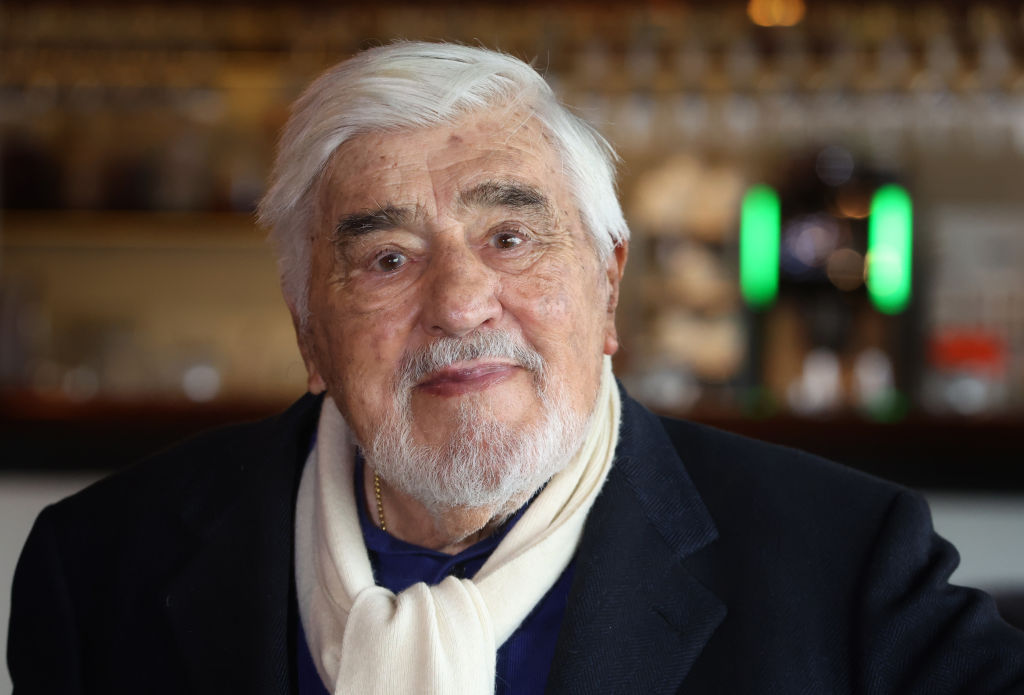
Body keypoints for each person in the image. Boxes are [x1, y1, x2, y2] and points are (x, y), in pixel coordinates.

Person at [8, 41, 1024, 695]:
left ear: (608, 288)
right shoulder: (100, 568)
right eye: (387, 258)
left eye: (510, 238)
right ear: (309, 331)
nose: (458, 304)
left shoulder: (848, 565)